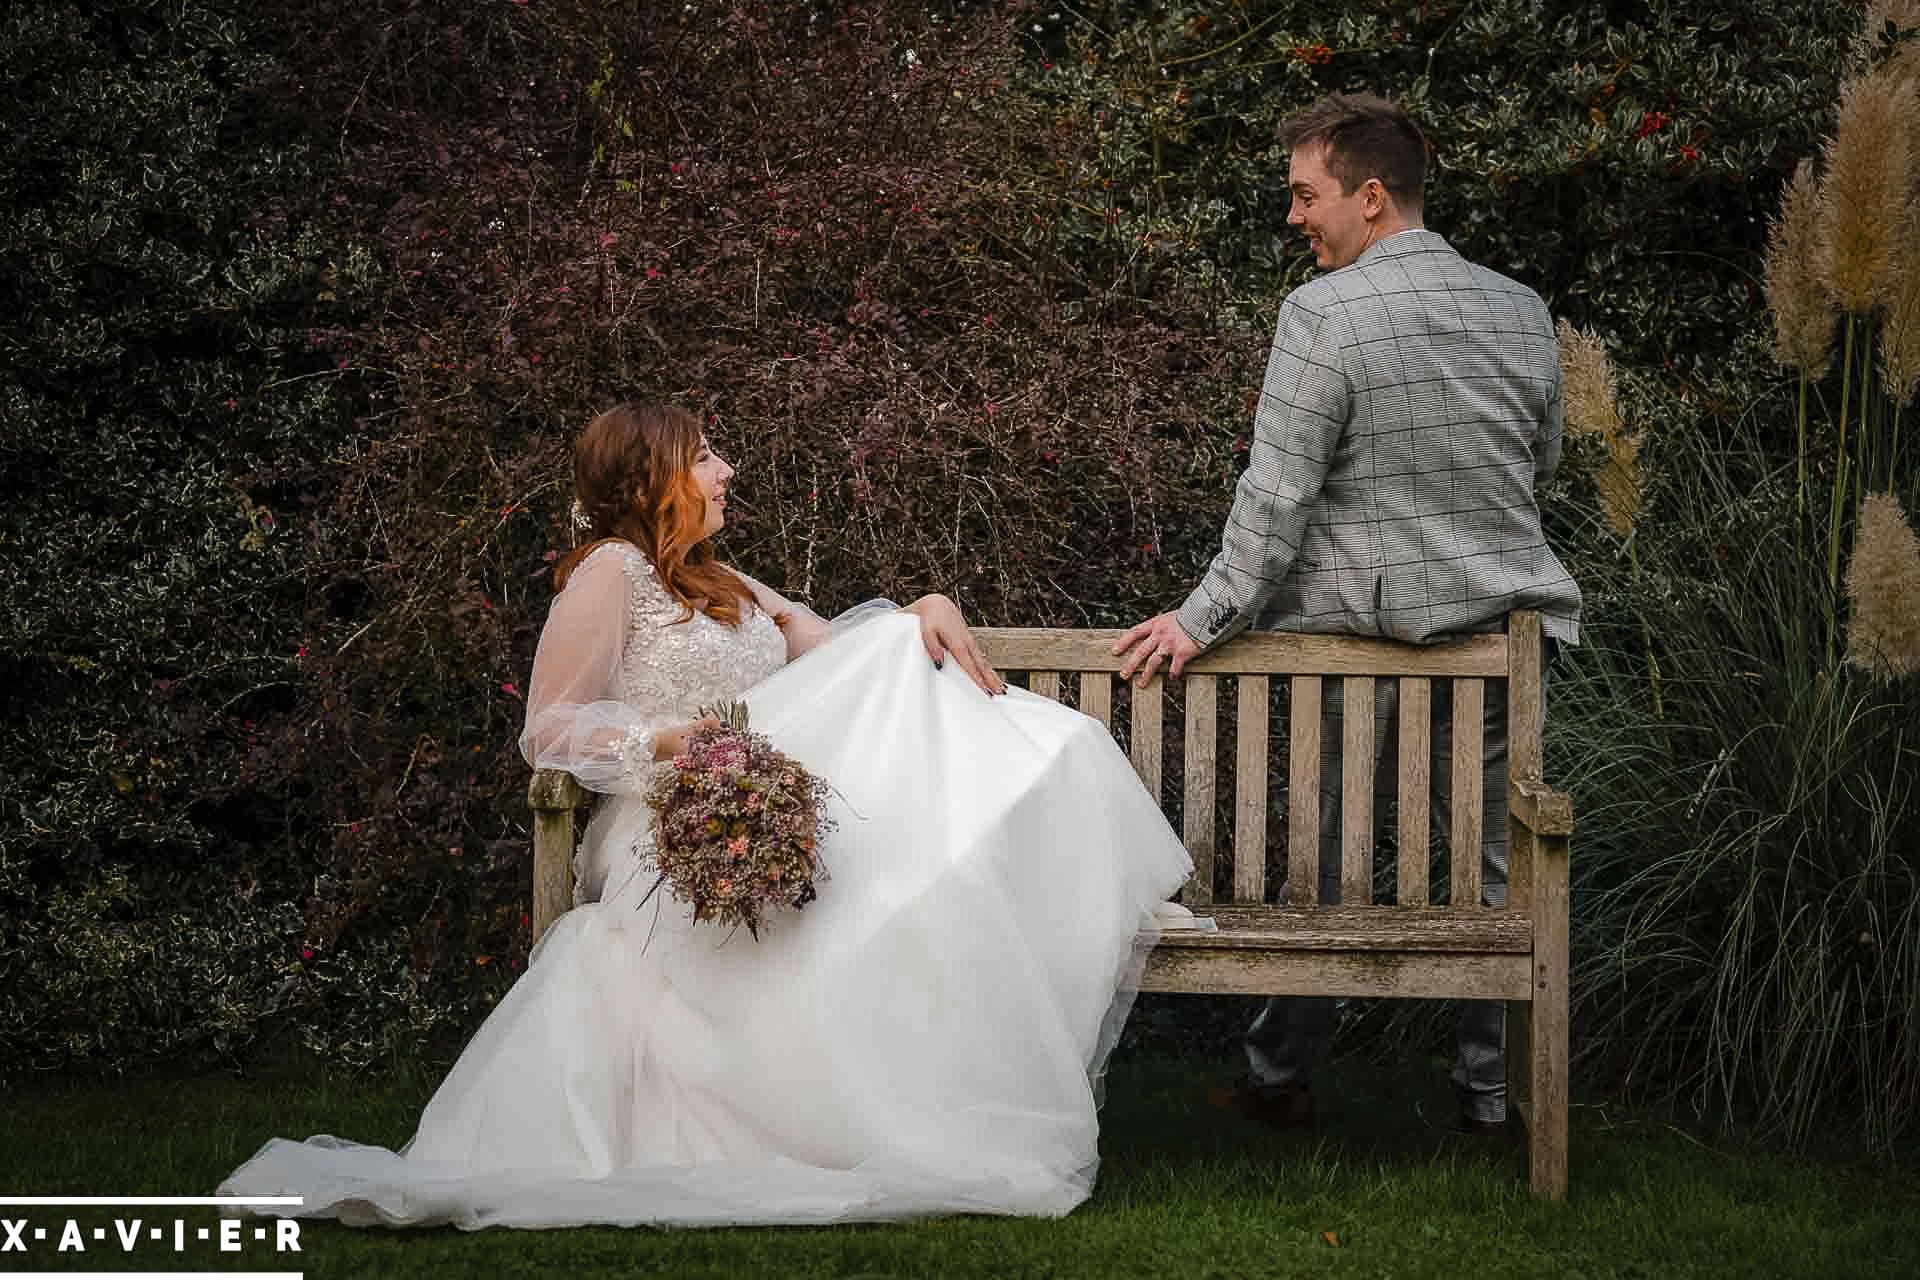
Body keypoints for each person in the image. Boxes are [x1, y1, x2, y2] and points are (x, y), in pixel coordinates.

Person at [219, 401, 1191, 1228]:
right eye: (705, 456)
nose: (726, 469)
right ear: (653, 480)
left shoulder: (732, 584)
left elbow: (844, 650)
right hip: (669, 827)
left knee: (912, 829)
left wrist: (922, 608)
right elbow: (550, 728)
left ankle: (1004, 932)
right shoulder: (611, 573)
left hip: (763, 816)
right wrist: (671, 744)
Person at [1112, 92, 1581, 1132]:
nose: (1295, 217)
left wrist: (1200, 617)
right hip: (1507, 650)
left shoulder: (1321, 315)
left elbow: (1273, 502)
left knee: (1323, 854)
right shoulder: (1520, 307)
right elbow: (1540, 461)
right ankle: (1492, 1097)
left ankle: (1280, 1078)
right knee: (1500, 869)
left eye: (1304, 194)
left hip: (1357, 652)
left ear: (1370, 198)